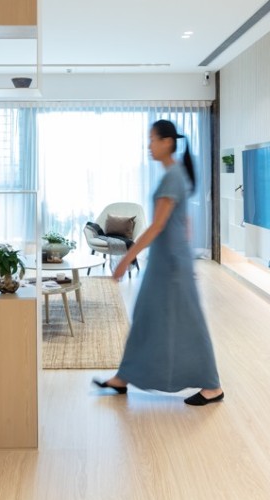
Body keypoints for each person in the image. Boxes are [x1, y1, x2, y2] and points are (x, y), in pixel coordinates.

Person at [93, 120, 224, 406]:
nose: (149, 146)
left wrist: (126, 259)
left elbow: (156, 226)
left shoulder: (172, 177)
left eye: (152, 139)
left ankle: (212, 386)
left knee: (187, 322)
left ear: (167, 142)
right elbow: (184, 221)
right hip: (169, 260)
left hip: (171, 265)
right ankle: (122, 378)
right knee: (146, 315)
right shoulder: (173, 175)